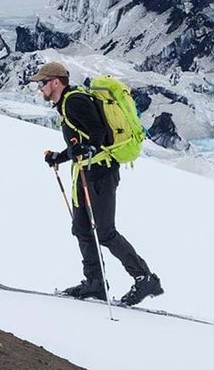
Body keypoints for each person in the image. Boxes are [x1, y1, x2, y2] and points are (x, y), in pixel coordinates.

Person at [30, 61, 163, 307]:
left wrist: (86, 148)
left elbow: (97, 133)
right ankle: (95, 282)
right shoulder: (66, 103)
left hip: (100, 172)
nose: (40, 88)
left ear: (56, 82)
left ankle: (146, 278)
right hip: (85, 172)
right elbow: (79, 142)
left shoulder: (74, 101)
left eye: (42, 83)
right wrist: (59, 157)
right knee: (81, 228)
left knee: (105, 232)